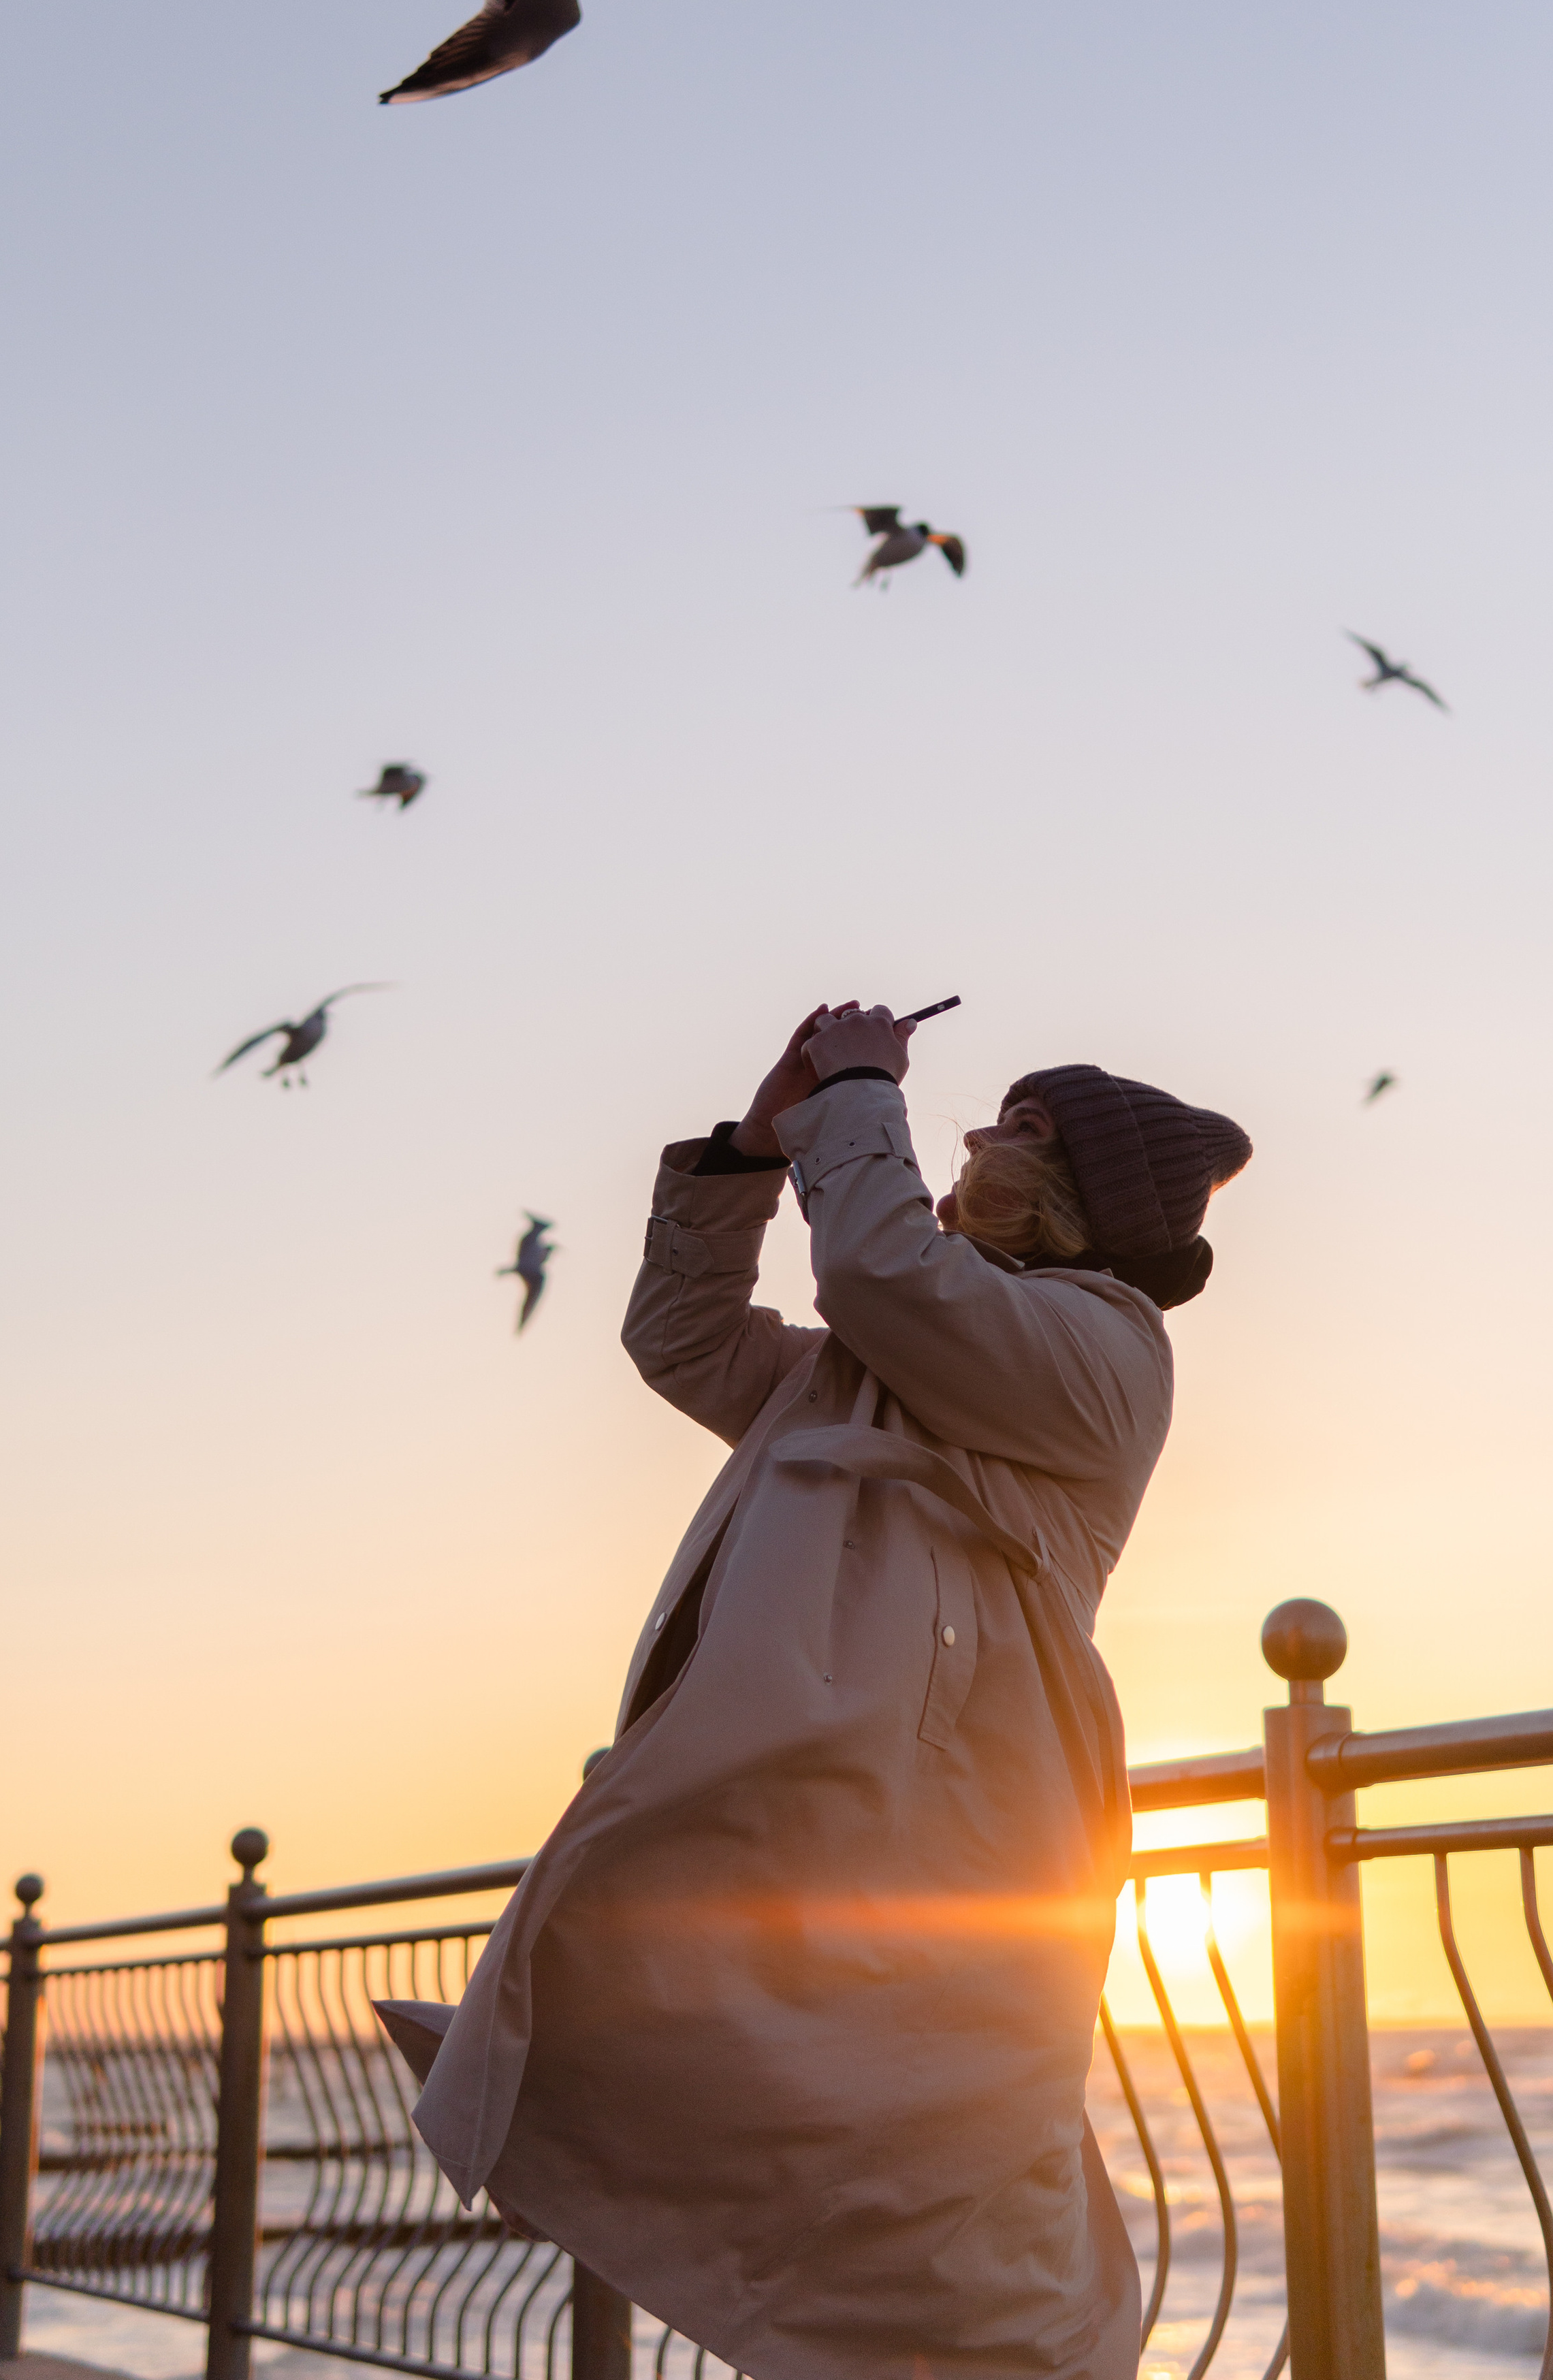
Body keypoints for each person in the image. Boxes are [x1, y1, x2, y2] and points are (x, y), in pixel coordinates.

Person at [389, 1005, 1252, 2380]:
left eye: (1024, 1133)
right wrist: (746, 1146)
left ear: (1094, 1196)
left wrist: (857, 1090)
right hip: (822, 1813)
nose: (979, 1140)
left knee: (952, 2193)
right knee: (829, 2177)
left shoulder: (1103, 1352)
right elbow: (683, 1339)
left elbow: (875, 1268)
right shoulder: (882, 1360)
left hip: (953, 1827)